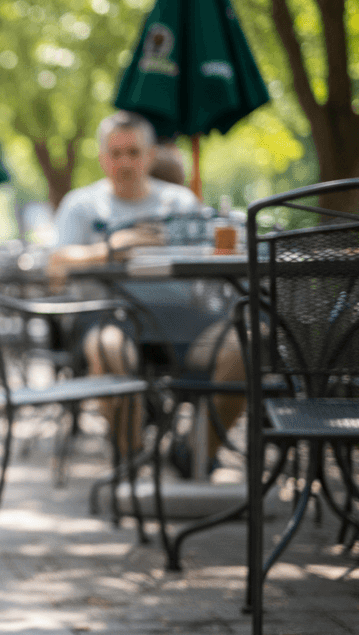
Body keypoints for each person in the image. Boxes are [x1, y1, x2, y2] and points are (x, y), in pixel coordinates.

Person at [47, 110, 244, 474]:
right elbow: (56, 265)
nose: (125, 161)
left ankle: (198, 452)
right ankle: (132, 462)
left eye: (133, 152)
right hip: (113, 319)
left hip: (185, 322)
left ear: (150, 155)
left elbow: (211, 269)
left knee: (247, 343)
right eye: (116, 153)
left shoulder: (181, 202)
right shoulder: (82, 204)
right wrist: (110, 248)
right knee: (107, 350)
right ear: (104, 157)